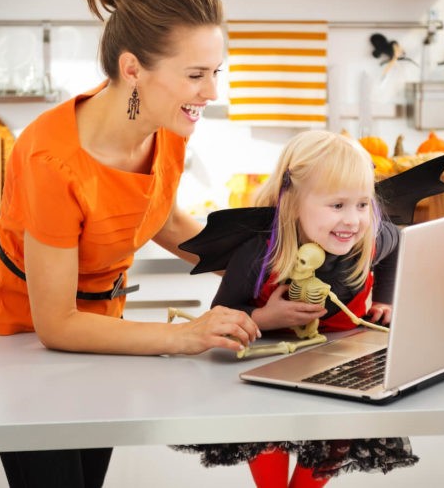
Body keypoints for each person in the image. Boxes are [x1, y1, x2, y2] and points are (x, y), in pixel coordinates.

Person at [0, 0, 260, 488]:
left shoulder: (167, 124)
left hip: (102, 329)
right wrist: (186, 335)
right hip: (22, 340)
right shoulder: (50, 158)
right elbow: (55, 324)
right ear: (133, 69)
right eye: (196, 74)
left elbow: (165, 222)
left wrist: (261, 272)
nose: (212, 92)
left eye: (216, 72)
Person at [173, 130, 419, 487]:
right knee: (270, 457)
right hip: (266, 375)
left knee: (323, 458)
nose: (353, 220)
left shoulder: (369, 240)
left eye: (362, 204)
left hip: (337, 371)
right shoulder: (259, 253)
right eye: (337, 205)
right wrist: (263, 318)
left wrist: (385, 299)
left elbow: (398, 242)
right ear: (291, 202)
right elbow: (221, 314)